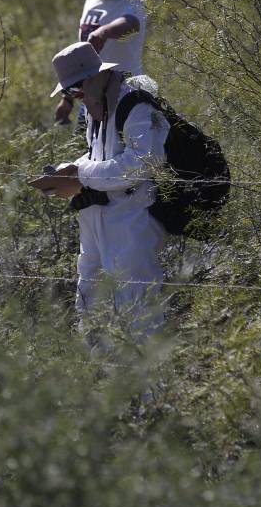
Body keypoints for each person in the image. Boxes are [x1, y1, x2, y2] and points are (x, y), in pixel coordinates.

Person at [45, 41, 169, 342]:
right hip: (97, 217)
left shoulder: (136, 105)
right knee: (90, 296)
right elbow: (98, 156)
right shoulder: (96, 105)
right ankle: (97, 366)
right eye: (69, 92)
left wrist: (82, 172)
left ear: (94, 77)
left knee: (137, 304)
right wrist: (70, 169)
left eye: (76, 89)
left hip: (132, 219)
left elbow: (140, 165)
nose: (75, 96)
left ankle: (146, 371)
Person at [54, 0, 148, 125]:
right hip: (91, 102)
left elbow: (130, 23)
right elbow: (84, 59)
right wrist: (68, 98)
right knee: (83, 145)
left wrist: (104, 32)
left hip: (124, 98)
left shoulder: (133, 2)